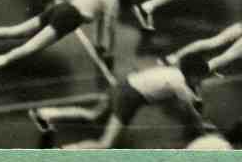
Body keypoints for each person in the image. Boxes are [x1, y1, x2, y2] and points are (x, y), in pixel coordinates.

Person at [0, 0, 118, 88]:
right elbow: (109, 28)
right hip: (69, 19)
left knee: (18, 30)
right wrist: (109, 53)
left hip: (61, 8)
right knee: (31, 47)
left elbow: (101, 19)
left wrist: (98, 43)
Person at [32, 62, 208, 149]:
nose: (202, 81)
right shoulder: (180, 85)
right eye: (201, 77)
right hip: (128, 99)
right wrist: (203, 128)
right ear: (193, 75)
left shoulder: (173, 71)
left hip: (120, 86)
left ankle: (44, 113)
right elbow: (191, 111)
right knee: (105, 144)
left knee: (93, 115)